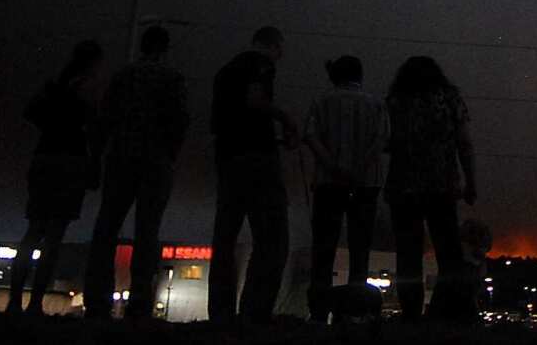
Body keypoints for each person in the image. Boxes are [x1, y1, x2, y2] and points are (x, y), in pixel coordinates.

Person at [82, 25, 190, 320]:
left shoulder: (123, 77)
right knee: (147, 228)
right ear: (165, 48)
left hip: (121, 156)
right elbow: (180, 121)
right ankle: (140, 299)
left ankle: (96, 298)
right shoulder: (171, 79)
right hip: (155, 160)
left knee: (107, 226)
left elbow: (104, 119)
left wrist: (96, 157)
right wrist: (169, 154)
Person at [7, 40, 105, 315]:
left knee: (33, 230)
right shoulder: (88, 88)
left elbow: (30, 113)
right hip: (71, 160)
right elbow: (96, 129)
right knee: (54, 236)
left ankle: (15, 299)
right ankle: (35, 302)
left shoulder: (54, 86)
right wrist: (95, 165)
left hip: (45, 156)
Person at [208, 26, 295, 324]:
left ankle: (220, 311)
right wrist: (285, 119)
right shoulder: (261, 64)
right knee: (272, 237)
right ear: (273, 45)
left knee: (226, 237)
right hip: (258, 156)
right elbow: (255, 100)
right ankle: (255, 311)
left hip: (227, 156)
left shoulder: (225, 71)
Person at [384, 56, 477, 322]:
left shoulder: (395, 102)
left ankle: (411, 314)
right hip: (442, 185)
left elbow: (384, 141)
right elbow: (465, 143)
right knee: (449, 252)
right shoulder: (449, 99)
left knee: (408, 253)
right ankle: (449, 313)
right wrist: (471, 182)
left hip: (403, 186)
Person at [302, 55, 390, 324]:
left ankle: (318, 312)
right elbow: (382, 139)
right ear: (360, 75)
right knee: (360, 247)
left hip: (329, 184)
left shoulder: (321, 101)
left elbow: (311, 136)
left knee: (324, 248)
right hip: (366, 184)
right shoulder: (376, 104)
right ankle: (353, 311)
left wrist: (332, 166)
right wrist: (360, 167)